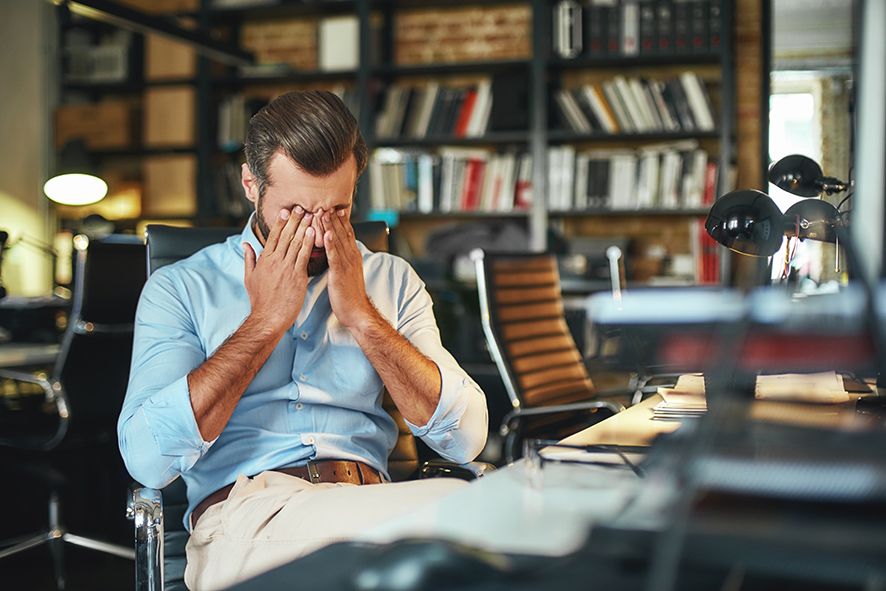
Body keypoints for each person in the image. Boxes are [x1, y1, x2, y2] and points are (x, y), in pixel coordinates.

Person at [118, 90, 488, 591]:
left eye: (338, 209)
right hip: (246, 518)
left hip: (368, 501)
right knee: (471, 522)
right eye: (295, 210)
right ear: (251, 184)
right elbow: (147, 461)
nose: (317, 234)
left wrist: (362, 317)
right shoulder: (180, 288)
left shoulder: (390, 280)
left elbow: (465, 438)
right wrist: (264, 323)